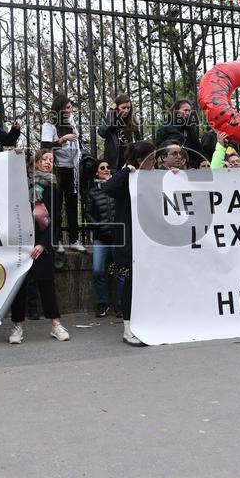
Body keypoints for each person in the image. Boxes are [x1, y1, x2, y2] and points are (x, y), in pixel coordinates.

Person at [8, 150, 70, 344]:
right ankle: (17, 327)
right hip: (22, 243)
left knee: (46, 284)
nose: (48, 163)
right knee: (20, 286)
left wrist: (43, 243)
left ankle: (55, 325)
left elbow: (56, 219)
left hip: (42, 243)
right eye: (44, 159)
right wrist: (15, 153)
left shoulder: (52, 186)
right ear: (35, 162)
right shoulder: (21, 184)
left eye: (51, 160)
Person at [102, 139, 157, 345]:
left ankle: (146, 323)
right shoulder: (128, 177)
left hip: (152, 239)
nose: (155, 163)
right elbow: (108, 187)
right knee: (132, 283)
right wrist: (126, 171)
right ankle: (128, 327)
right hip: (131, 240)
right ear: (141, 160)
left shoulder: (154, 176)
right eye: (151, 159)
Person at [42, 95, 85, 253]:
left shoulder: (71, 121)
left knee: (73, 205)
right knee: (57, 205)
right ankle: (57, 239)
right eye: (66, 107)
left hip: (72, 168)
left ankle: (74, 239)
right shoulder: (49, 124)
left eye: (70, 107)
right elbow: (45, 146)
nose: (69, 110)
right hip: (58, 169)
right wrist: (62, 140)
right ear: (58, 108)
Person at [84, 159, 126, 318]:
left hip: (117, 237)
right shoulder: (92, 191)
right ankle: (102, 303)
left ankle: (122, 305)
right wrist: (99, 226)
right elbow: (88, 213)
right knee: (98, 270)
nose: (107, 169)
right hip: (100, 238)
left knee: (121, 272)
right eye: (103, 168)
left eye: (109, 167)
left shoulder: (117, 188)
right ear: (97, 172)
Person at [154, 99, 205, 167]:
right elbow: (159, 147)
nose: (187, 113)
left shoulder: (190, 127)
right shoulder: (165, 126)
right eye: (185, 110)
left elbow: (197, 147)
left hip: (188, 165)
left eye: (189, 111)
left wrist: (203, 161)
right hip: (170, 166)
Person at [98, 94, 143, 170]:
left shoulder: (133, 121)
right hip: (115, 160)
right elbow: (103, 132)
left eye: (128, 108)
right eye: (123, 108)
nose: (126, 110)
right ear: (117, 108)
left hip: (129, 160)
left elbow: (138, 140)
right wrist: (111, 112)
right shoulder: (111, 120)